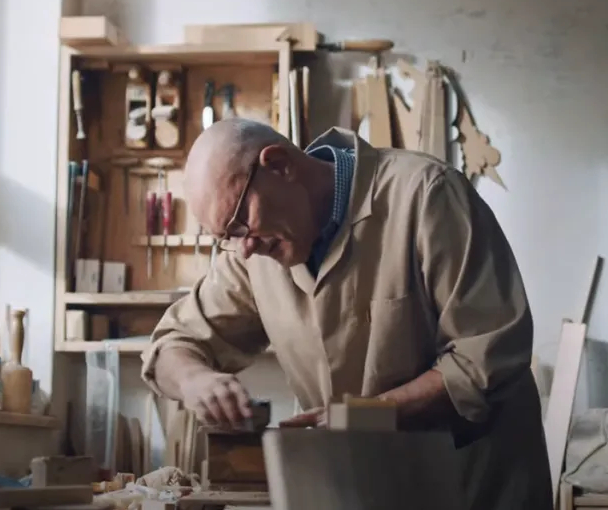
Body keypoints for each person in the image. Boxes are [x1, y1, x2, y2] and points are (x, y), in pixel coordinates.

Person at [140, 117, 553, 509]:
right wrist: (194, 380)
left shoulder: (427, 195)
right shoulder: (252, 252)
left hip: (472, 485)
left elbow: (487, 356)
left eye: (239, 222)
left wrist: (367, 417)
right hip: (364, 488)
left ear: (280, 165)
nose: (243, 247)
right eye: (226, 237)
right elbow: (172, 344)